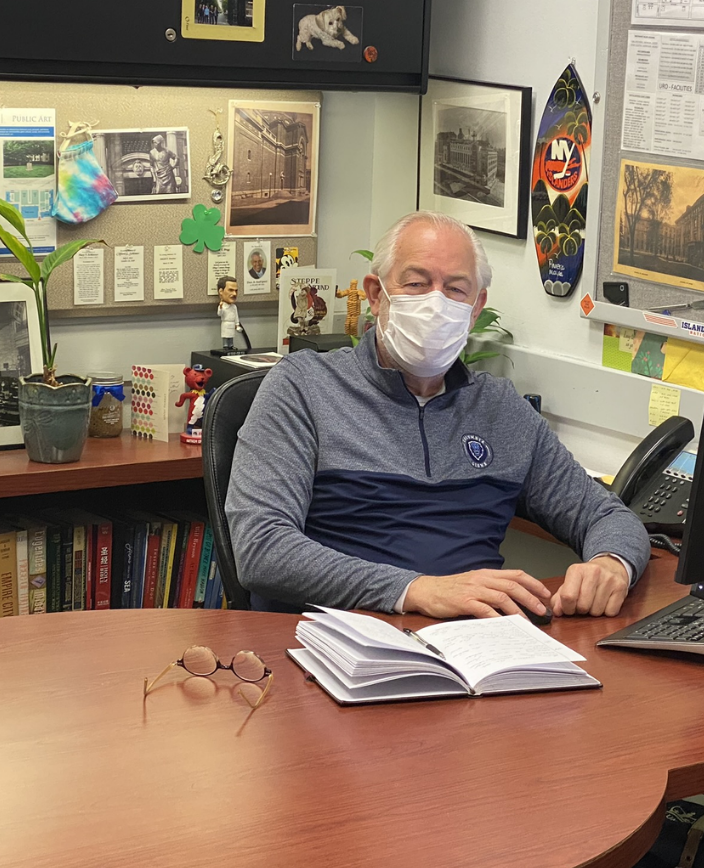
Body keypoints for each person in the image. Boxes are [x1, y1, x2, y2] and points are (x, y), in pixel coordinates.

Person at [226, 211, 650, 618]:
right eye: (416, 283)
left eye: (455, 289)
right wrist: (415, 590)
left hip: (474, 649)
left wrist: (612, 564)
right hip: (336, 645)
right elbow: (262, 550)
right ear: (376, 295)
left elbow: (605, 515)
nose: (436, 302)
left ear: (476, 306)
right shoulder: (303, 388)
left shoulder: (501, 409)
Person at [217, 276, 241, 350]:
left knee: (231, 336)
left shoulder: (234, 307)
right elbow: (220, 314)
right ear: (221, 291)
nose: (234, 294)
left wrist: (237, 324)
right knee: (226, 336)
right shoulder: (222, 306)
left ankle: (231, 345)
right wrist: (220, 308)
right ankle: (225, 346)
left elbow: (236, 316)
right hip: (226, 324)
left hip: (232, 324)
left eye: (236, 291)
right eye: (230, 290)